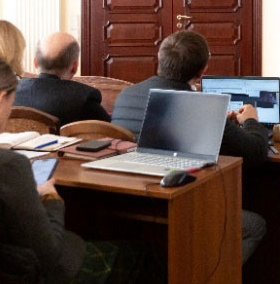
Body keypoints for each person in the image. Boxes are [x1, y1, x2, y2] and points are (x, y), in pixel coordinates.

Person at [0, 51, 164, 284]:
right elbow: (49, 255)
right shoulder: (8, 166)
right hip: (33, 283)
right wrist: (51, 198)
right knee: (144, 256)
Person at [111, 31, 268, 264]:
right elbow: (257, 152)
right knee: (255, 226)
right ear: (202, 71)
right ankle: (213, 282)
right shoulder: (202, 106)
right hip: (178, 205)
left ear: (160, 59)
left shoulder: (126, 95)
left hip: (126, 201)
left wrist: (221, 122)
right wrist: (251, 121)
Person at [13, 32, 109, 127]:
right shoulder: (84, 99)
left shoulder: (10, 92)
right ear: (74, 67)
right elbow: (111, 131)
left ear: (35, 63)